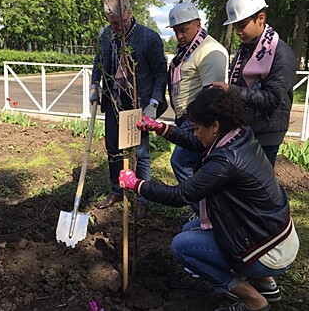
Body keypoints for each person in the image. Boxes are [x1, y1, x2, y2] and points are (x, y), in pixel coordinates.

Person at [119, 88, 299, 311]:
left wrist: (137, 184)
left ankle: (253, 299)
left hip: (267, 249)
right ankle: (265, 283)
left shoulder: (225, 162)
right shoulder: (239, 135)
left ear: (214, 126)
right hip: (273, 233)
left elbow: (180, 195)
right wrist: (160, 128)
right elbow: (198, 143)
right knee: (189, 229)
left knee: (182, 247)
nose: (194, 133)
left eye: (197, 128)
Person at [90, 0, 168, 220]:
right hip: (113, 101)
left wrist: (153, 103)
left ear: (128, 13)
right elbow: (98, 62)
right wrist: (95, 85)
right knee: (113, 148)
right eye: (111, 23)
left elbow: (161, 73)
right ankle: (116, 190)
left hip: (138, 104)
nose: (115, 28)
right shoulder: (105, 35)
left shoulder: (149, 38)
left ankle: (142, 199)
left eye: (118, 22)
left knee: (141, 153)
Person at [212, 0, 296, 167]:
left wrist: (231, 91)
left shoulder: (281, 53)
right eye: (235, 27)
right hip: (245, 127)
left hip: (266, 133)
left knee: (259, 188)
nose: (238, 32)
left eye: (242, 25)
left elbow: (272, 98)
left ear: (261, 18)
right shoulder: (245, 49)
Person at [167, 2, 228, 216]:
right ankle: (202, 210)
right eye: (176, 32)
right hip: (186, 118)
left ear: (198, 24)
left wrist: (200, 125)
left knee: (180, 162)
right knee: (195, 167)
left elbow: (213, 96)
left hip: (197, 120)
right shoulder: (188, 51)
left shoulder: (210, 51)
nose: (180, 36)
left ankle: (206, 213)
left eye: (184, 30)